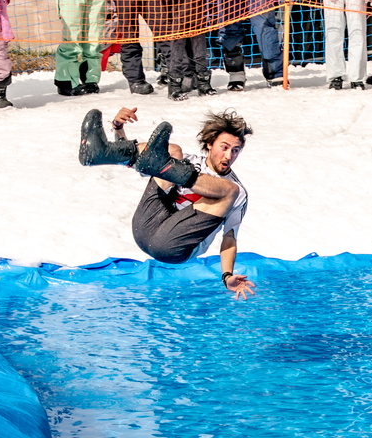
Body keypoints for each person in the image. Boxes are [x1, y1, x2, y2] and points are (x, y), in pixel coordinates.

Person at [78, 106, 256, 298]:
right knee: (172, 151)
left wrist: (226, 276)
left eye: (236, 150)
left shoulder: (237, 192)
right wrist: (118, 128)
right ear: (210, 144)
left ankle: (162, 167)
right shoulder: (185, 161)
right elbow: (141, 162)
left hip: (174, 247)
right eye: (225, 147)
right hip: (145, 227)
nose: (229, 156)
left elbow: (229, 238)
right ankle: (98, 151)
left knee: (229, 190)